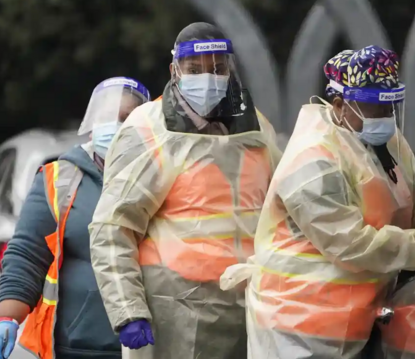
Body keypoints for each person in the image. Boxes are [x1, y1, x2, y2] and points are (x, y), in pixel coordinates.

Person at [240, 46, 415, 359]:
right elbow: (351, 244)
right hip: (297, 322)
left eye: (389, 107)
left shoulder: (386, 143)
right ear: (340, 105)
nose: (384, 118)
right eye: (374, 109)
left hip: (357, 314)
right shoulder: (312, 161)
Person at [88, 22, 281, 359]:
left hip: (251, 305)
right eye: (195, 69)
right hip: (176, 310)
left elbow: (282, 210)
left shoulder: (258, 129)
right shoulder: (148, 129)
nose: (208, 78)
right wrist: (128, 310)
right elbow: (112, 227)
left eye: (218, 68)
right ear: (175, 70)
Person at [0, 77, 151, 359]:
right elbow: (27, 253)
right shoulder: (59, 179)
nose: (116, 125)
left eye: (126, 118)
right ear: (91, 125)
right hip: (77, 348)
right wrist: (8, 318)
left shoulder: (164, 178)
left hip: (152, 346)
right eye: (107, 116)